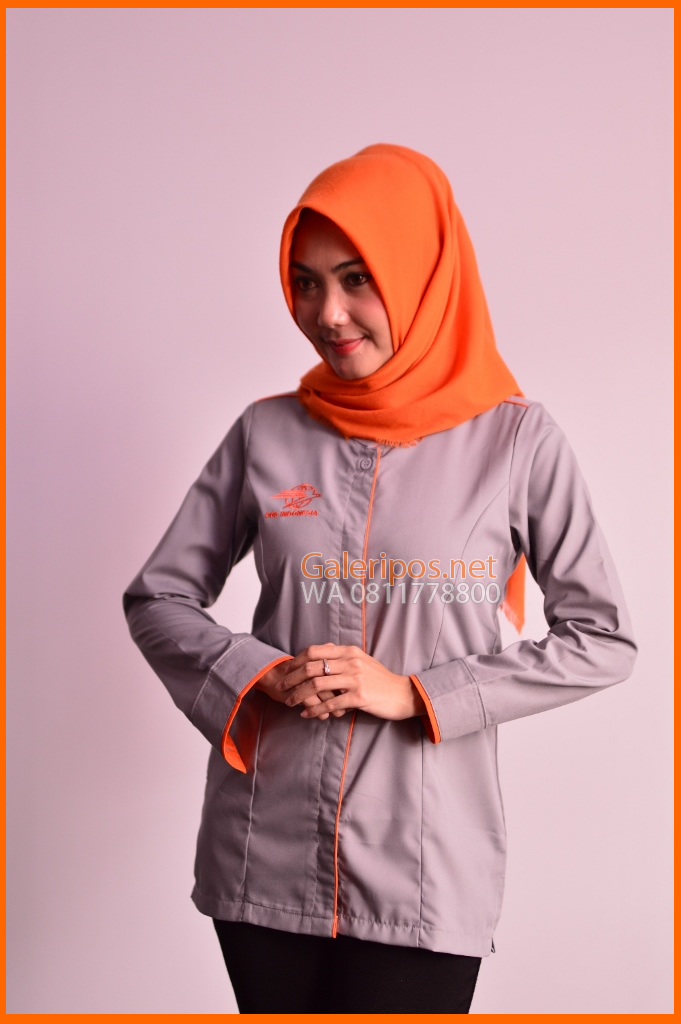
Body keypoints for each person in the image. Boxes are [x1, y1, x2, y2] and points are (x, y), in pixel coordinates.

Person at [123, 143, 637, 1013]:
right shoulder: (265, 433)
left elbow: (603, 640)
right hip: (261, 850)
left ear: (421, 272)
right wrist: (257, 671)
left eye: (357, 278)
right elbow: (159, 598)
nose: (327, 314)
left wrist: (414, 693)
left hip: (425, 865)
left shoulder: (516, 441)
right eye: (305, 282)